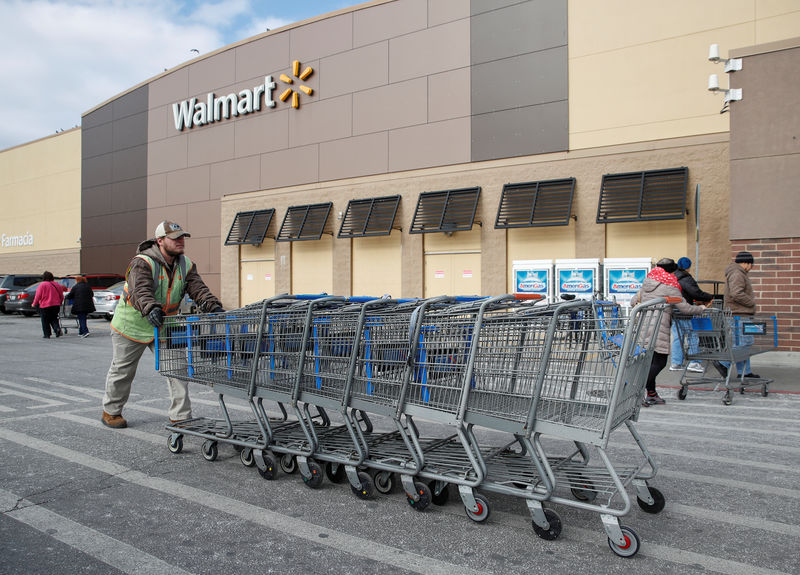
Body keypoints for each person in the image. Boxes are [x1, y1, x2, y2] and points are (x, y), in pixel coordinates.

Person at [101, 220, 224, 429]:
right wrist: (150, 308)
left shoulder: (186, 264)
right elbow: (140, 290)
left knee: (177, 369)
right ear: (160, 241)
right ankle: (111, 411)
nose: (181, 241)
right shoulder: (142, 262)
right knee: (123, 371)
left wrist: (212, 306)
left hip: (165, 325)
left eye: (182, 237)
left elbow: (198, 289)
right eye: (175, 238)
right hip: (132, 325)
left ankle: (181, 416)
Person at [630, 258, 709, 406]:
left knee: (651, 362)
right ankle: (637, 390)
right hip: (659, 327)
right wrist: (701, 309)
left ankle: (652, 394)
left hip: (644, 326)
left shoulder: (648, 282)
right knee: (660, 362)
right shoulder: (669, 285)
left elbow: (633, 301)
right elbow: (685, 308)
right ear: (672, 270)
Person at [717, 251, 759, 379]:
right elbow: (736, 293)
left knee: (742, 343)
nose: (751, 268)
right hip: (739, 314)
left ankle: (745, 372)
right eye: (751, 265)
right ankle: (723, 363)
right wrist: (751, 302)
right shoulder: (737, 273)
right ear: (746, 263)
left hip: (738, 313)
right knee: (743, 343)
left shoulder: (737, 272)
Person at [670, 257, 714, 372]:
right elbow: (696, 293)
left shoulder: (672, 277)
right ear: (688, 267)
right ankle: (694, 363)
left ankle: (675, 363)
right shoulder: (686, 278)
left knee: (677, 338)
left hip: (675, 311)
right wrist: (709, 297)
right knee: (693, 336)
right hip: (686, 311)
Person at [32, 271, 65, 339]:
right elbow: (61, 296)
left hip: (45, 305)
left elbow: (38, 296)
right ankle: (57, 329)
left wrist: (34, 303)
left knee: (45, 320)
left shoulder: (42, 285)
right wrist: (60, 302)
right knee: (54, 318)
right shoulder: (57, 285)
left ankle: (47, 334)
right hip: (56, 305)